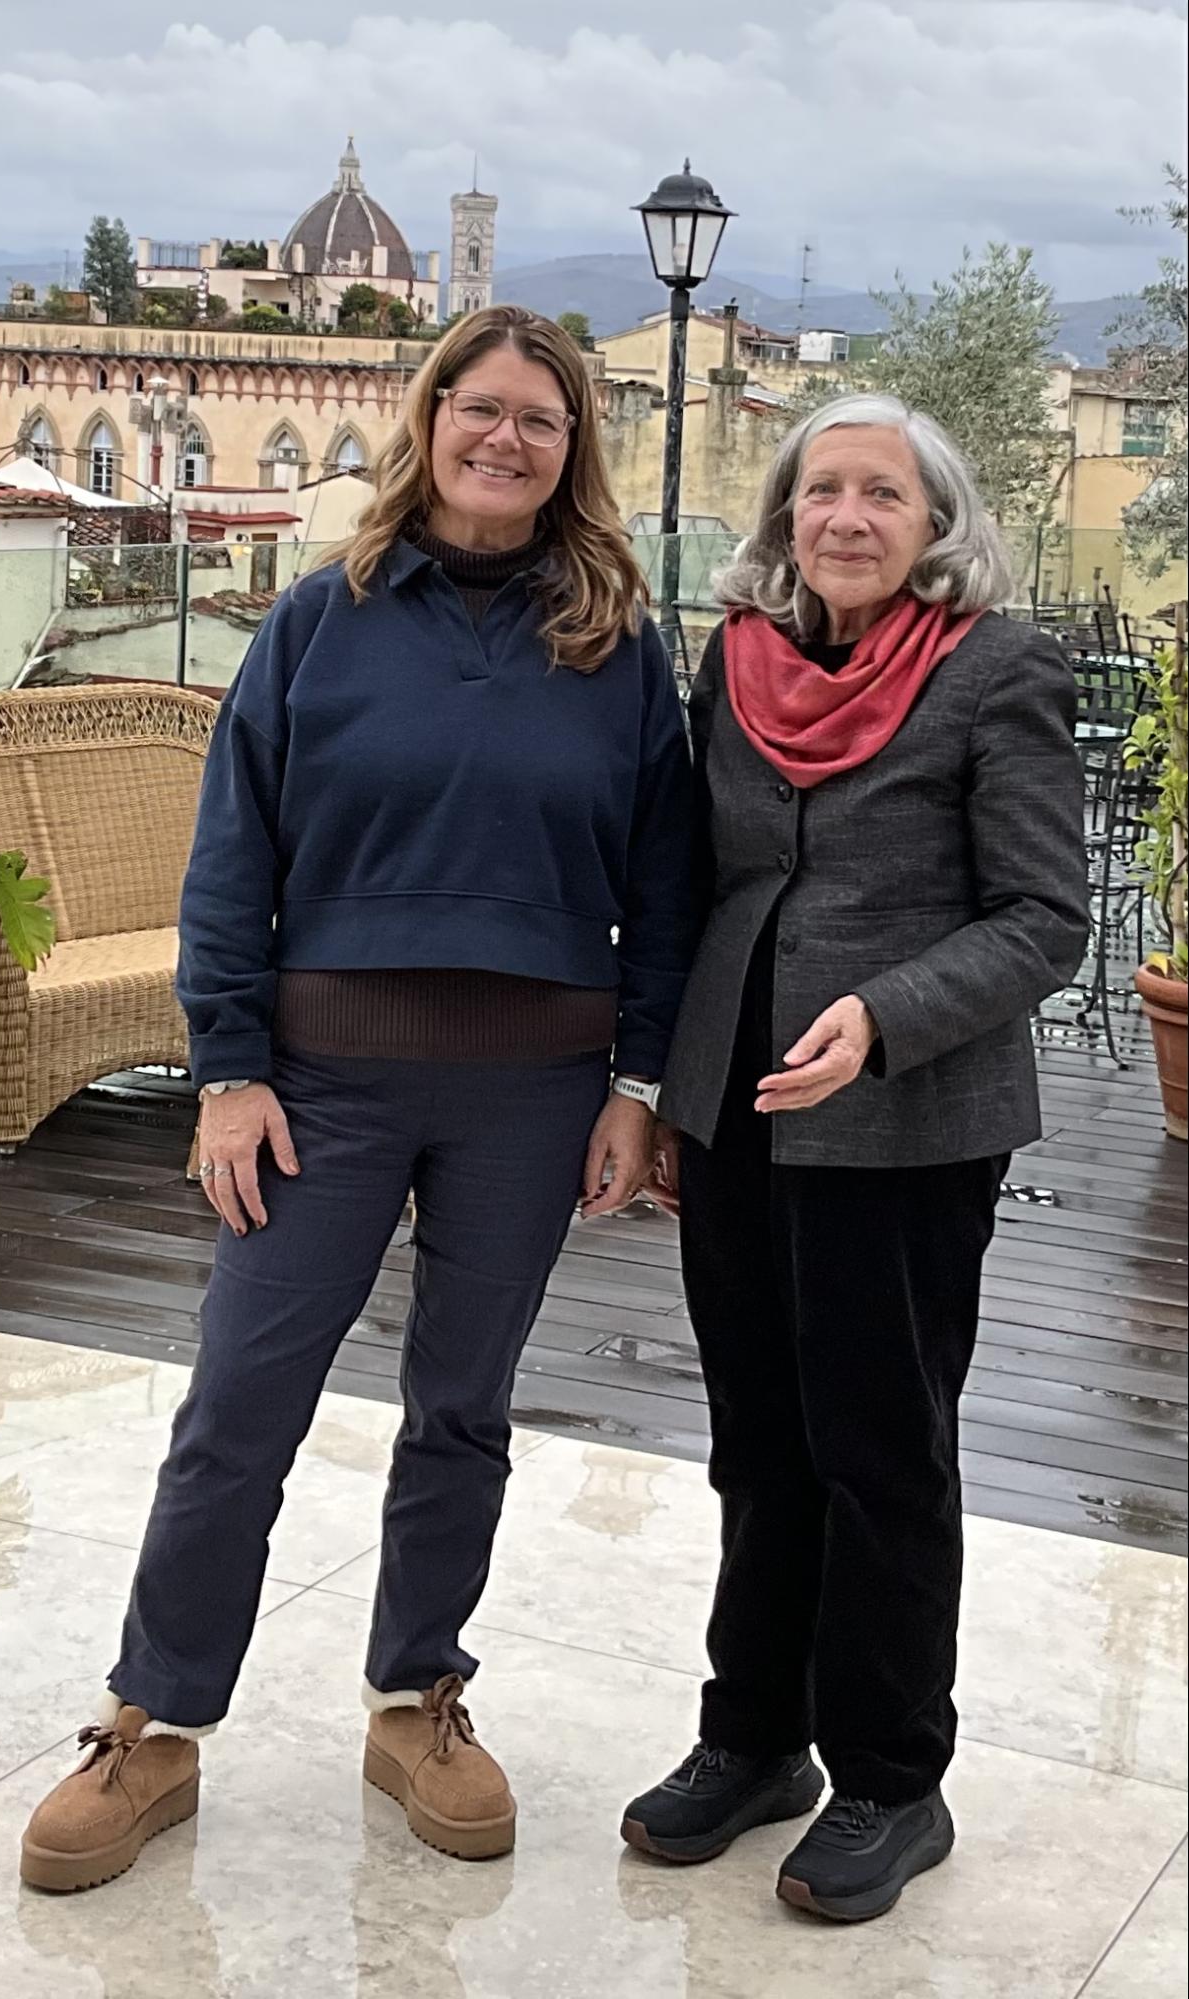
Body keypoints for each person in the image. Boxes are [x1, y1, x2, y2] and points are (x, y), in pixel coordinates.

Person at [20, 304, 693, 1891]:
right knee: (238, 1405)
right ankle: (152, 1722)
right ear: (431, 418)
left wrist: (638, 1086)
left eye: (541, 418)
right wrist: (229, 1070)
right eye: (481, 407)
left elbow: (667, 886)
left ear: (572, 449)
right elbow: (230, 856)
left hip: (535, 1091)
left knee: (463, 1406)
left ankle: (416, 1699)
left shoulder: (618, 646)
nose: (506, 437)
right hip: (320, 1085)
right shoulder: (323, 617)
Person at [620, 394, 1089, 1922]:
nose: (847, 517)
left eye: (883, 493)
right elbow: (698, 878)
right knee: (758, 1438)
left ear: (935, 522)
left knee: (882, 1448)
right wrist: (666, 1088)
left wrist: (884, 1019)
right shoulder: (739, 658)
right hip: (738, 1105)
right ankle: (755, 1737)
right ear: (785, 515)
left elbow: (1044, 921)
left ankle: (892, 1774)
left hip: (907, 1125)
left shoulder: (997, 669)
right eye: (822, 489)